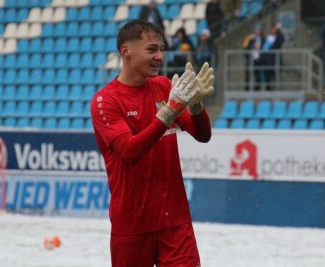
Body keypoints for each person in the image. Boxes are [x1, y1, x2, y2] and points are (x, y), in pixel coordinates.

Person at [90, 19, 214, 267]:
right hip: (132, 225)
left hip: (175, 221)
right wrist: (170, 111)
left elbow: (203, 135)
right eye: (151, 49)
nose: (159, 56)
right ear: (126, 51)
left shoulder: (165, 86)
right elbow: (130, 150)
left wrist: (196, 107)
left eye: (161, 49)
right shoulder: (105, 101)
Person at [260, 23, 285, 90]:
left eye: (275, 29)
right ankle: (268, 89)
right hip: (266, 61)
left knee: (275, 77)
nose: (273, 30)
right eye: (273, 29)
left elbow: (281, 40)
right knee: (267, 78)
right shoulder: (268, 37)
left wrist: (279, 31)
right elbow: (262, 47)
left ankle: (275, 91)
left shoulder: (278, 37)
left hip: (274, 61)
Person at [242, 22, 264, 91]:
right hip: (250, 58)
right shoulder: (250, 38)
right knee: (248, 74)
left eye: (259, 30)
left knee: (257, 74)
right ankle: (247, 88)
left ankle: (257, 88)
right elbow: (245, 46)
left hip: (258, 59)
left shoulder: (262, 38)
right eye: (257, 30)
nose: (258, 31)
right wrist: (252, 46)